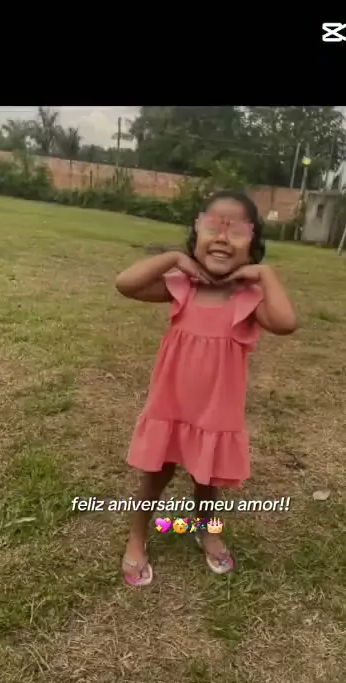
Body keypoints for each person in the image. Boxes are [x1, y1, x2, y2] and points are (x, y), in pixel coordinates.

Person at [116, 190, 297, 587]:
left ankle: (206, 529)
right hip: (171, 407)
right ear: (196, 234)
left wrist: (265, 274)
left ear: (253, 243)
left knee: (208, 480)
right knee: (155, 476)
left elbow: (286, 322)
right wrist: (173, 259)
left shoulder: (249, 299)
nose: (222, 239)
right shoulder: (183, 286)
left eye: (237, 232)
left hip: (215, 413)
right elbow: (125, 284)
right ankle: (137, 535)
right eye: (213, 227)